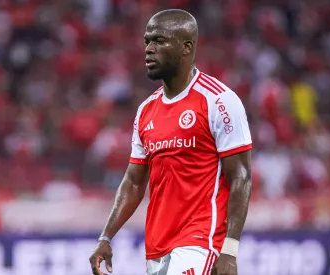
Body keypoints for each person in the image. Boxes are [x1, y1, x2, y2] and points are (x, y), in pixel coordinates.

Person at [89, 9, 252, 275]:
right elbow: (133, 181)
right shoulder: (146, 111)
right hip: (157, 248)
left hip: (201, 243)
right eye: (147, 42)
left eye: (159, 41)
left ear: (187, 47)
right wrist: (106, 237)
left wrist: (229, 250)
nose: (149, 50)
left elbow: (241, 177)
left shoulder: (219, 101)